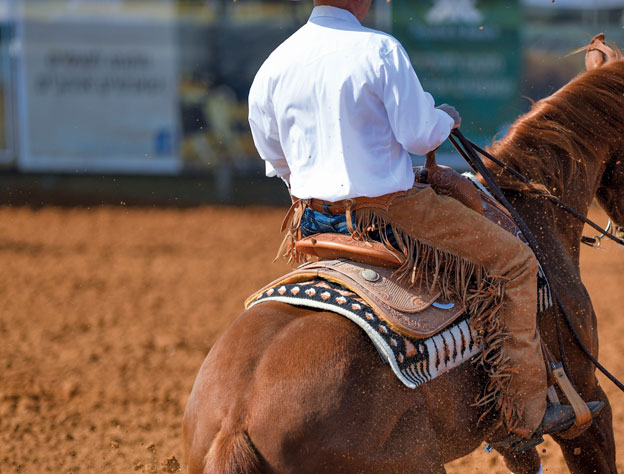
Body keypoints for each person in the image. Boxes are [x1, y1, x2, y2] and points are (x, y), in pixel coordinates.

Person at [247, 0, 582, 440]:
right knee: (516, 262)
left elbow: (274, 156)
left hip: (309, 223)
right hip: (393, 217)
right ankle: (523, 412)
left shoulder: (275, 64)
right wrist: (444, 119)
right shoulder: (379, 50)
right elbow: (418, 134)